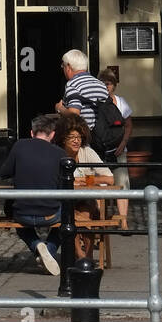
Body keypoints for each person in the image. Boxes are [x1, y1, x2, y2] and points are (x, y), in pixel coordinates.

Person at [0, 113, 64, 276]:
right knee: (68, 218)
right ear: (53, 134)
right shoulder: (60, 153)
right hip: (50, 214)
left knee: (21, 228)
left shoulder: (19, 146)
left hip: (22, 213)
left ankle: (37, 246)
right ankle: (49, 248)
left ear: (31, 133)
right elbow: (65, 184)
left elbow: (4, 173)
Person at [55, 113, 110, 259]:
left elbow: (110, 178)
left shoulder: (87, 152)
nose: (76, 141)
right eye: (72, 137)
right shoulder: (57, 155)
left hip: (87, 200)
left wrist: (86, 180)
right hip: (65, 202)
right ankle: (81, 256)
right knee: (70, 215)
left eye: (79, 137)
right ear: (63, 139)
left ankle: (87, 257)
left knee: (84, 214)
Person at [99, 68, 132, 227]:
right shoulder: (96, 102)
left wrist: (123, 143)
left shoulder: (120, 102)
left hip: (119, 149)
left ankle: (123, 220)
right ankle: (101, 220)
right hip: (102, 150)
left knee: (122, 183)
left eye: (109, 84)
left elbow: (129, 125)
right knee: (100, 185)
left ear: (114, 85)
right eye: (103, 83)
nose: (106, 87)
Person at [56, 49, 109, 130]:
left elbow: (74, 114)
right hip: (103, 136)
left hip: (83, 135)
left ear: (68, 67)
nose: (62, 69)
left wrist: (60, 108)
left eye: (63, 66)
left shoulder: (73, 84)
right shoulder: (100, 84)